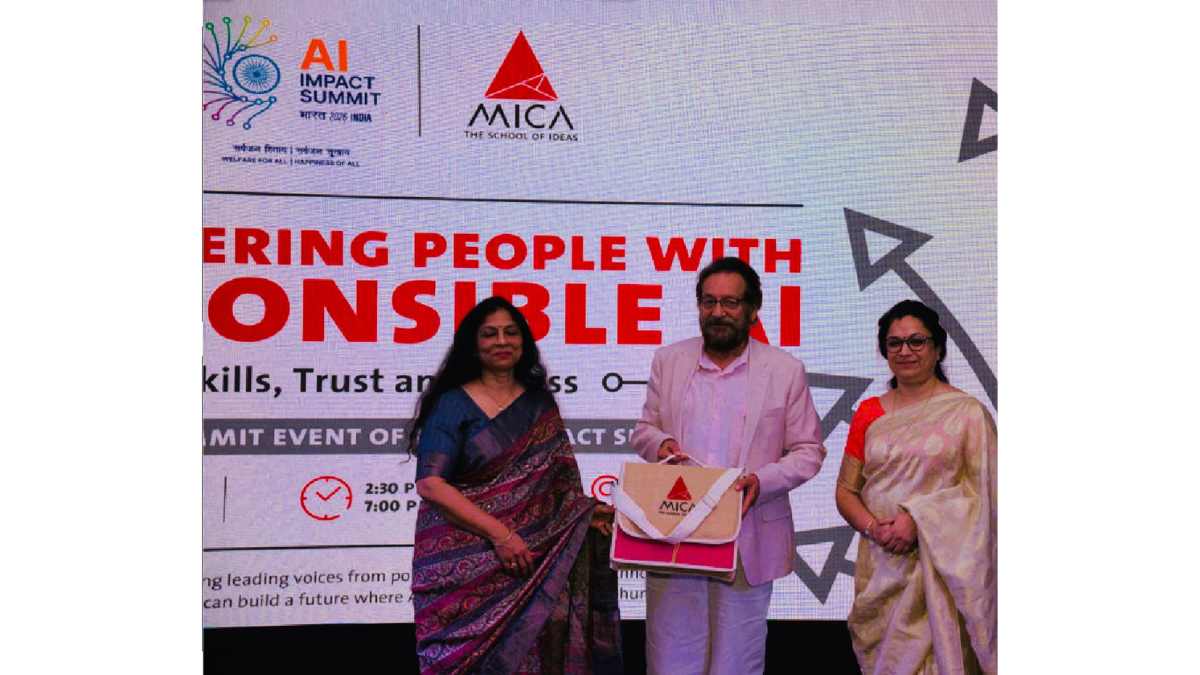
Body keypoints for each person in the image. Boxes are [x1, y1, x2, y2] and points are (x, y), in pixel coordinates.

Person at [630, 257, 826, 675]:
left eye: (730, 303)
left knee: (737, 662)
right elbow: (644, 430)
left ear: (753, 309)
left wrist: (762, 480)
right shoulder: (669, 360)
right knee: (669, 660)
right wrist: (661, 444)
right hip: (675, 531)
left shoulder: (784, 370)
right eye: (709, 302)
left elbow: (808, 450)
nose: (718, 312)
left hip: (746, 533)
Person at [409, 297, 621, 675]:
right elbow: (431, 484)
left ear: (524, 341)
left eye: (511, 332)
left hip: (532, 564)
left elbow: (561, 488)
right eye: (490, 334)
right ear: (473, 344)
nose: (502, 341)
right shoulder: (452, 403)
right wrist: (501, 536)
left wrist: (587, 515)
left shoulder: (539, 405)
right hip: (466, 568)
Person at [835, 299, 997, 674]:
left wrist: (919, 520)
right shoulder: (869, 412)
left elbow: (987, 499)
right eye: (894, 343)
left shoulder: (967, 413)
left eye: (916, 341)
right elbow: (846, 492)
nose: (905, 351)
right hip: (882, 566)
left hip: (944, 571)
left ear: (937, 348)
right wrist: (875, 529)